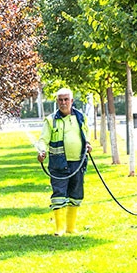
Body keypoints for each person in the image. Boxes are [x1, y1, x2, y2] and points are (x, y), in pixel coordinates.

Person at [37, 88, 92, 236]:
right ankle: (59, 228)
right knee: (59, 195)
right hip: (58, 164)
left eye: (66, 99)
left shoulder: (81, 117)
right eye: (60, 100)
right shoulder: (50, 120)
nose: (63, 103)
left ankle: (70, 227)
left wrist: (88, 144)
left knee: (76, 195)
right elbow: (43, 140)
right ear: (57, 102)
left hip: (78, 163)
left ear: (72, 101)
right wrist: (41, 151)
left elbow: (86, 134)